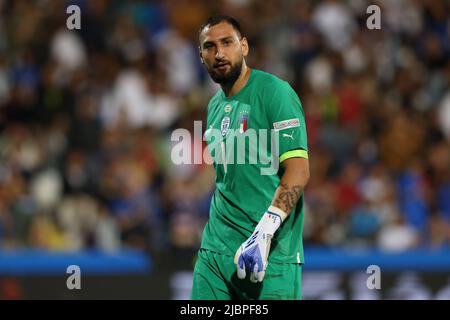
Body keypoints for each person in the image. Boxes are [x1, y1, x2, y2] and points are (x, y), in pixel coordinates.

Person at [191, 15, 310, 300]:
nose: (219, 53)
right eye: (210, 47)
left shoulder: (275, 93)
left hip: (273, 256)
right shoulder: (215, 105)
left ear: (244, 46)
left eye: (227, 43)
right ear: (201, 56)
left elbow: (298, 170)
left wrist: (264, 232)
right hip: (215, 254)